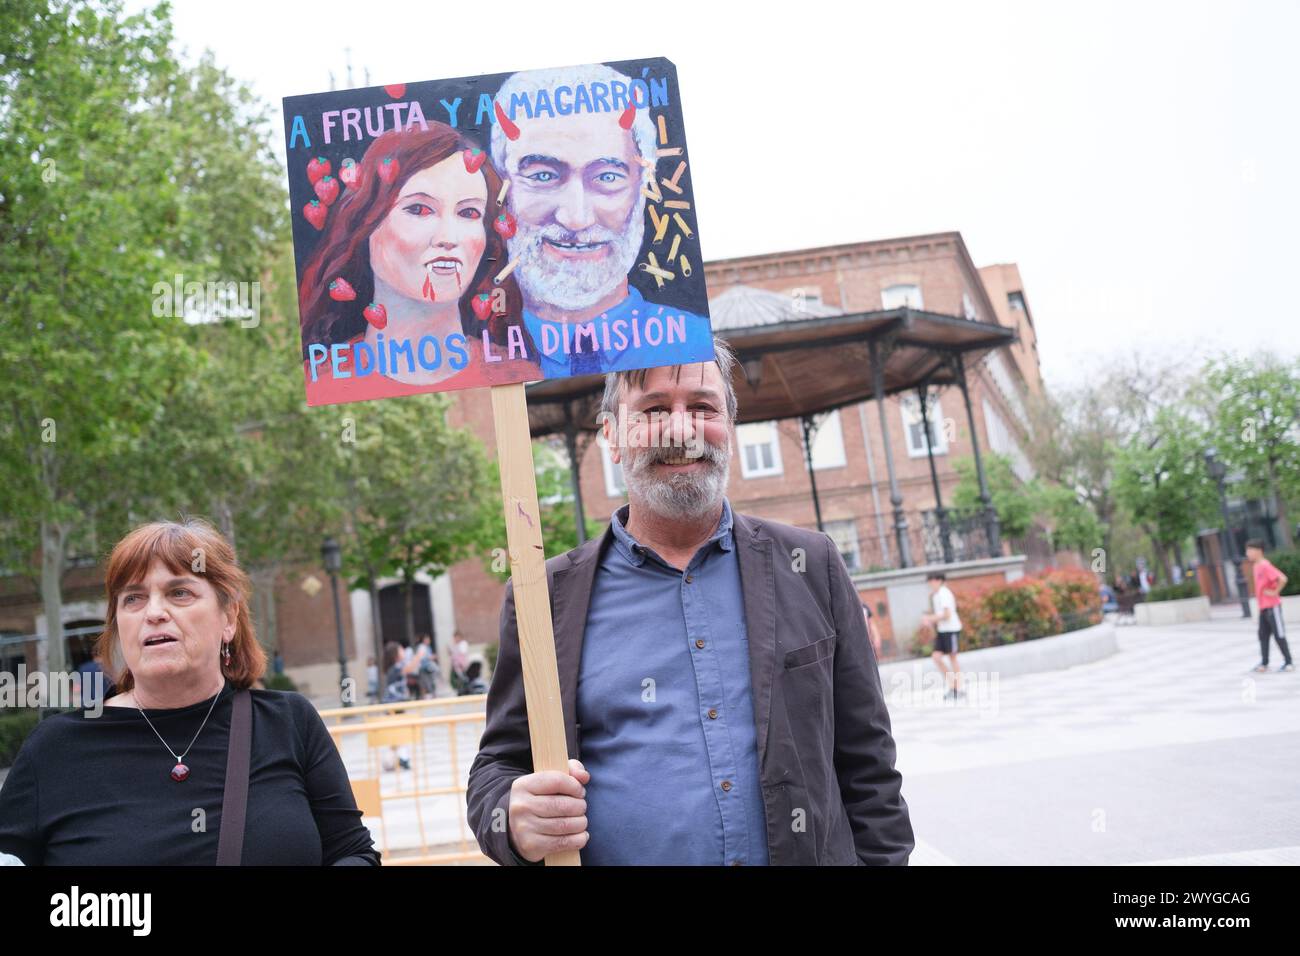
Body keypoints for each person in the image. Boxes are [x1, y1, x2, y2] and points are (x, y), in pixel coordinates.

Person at [466, 338, 913, 865]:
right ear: (611, 435)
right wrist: (513, 818)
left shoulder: (811, 566)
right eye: (654, 410)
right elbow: (498, 765)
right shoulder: (546, 599)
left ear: (730, 427)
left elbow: (870, 768)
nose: (681, 430)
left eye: (703, 407)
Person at [0, 519, 379, 865]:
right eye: (132, 598)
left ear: (228, 618)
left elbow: (353, 852)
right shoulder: (54, 748)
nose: (154, 612)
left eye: (179, 592)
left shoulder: (289, 722)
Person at [489, 63, 715, 378]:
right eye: (542, 176)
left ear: (643, 187)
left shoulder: (695, 346)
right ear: (502, 187)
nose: (576, 218)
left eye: (607, 177)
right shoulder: (474, 359)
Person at [299, 122, 541, 405]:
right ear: (365, 226)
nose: (448, 238)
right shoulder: (321, 384)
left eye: (469, 212)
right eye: (418, 209)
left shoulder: (518, 372)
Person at [1245, 539, 1293, 673]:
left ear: (1259, 551)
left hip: (1273, 606)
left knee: (1279, 634)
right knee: (1263, 635)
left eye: (1250, 550)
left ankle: (1288, 662)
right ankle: (1264, 663)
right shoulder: (1256, 566)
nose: (1247, 553)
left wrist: (1274, 592)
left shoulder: (1265, 565)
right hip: (1263, 608)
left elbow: (1282, 578)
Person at [920, 571, 964, 700]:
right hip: (942, 630)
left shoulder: (944, 593)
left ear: (939, 580)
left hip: (951, 629)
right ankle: (953, 686)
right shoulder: (935, 595)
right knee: (936, 657)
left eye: (932, 581)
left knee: (952, 657)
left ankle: (958, 688)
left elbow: (947, 615)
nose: (930, 584)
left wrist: (929, 618)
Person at [416, 634, 439, 699]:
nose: (428, 641)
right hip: (423, 668)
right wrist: (431, 657)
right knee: (424, 683)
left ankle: (433, 695)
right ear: (424, 640)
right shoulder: (421, 647)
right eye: (427, 639)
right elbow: (421, 657)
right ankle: (424, 697)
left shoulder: (428, 647)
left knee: (431, 682)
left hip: (429, 668)